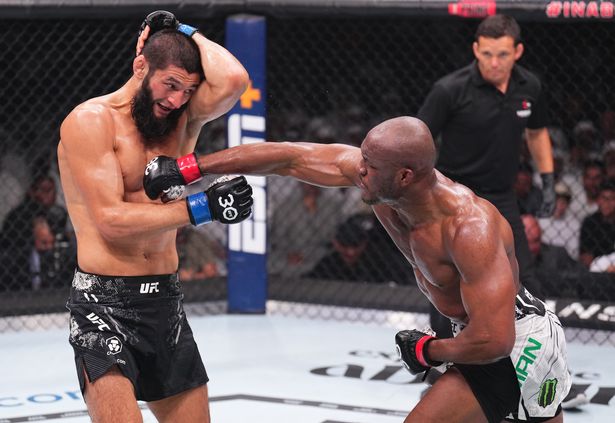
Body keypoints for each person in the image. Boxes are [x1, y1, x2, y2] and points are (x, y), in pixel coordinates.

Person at [144, 116, 571, 422]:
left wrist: (428, 350)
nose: (357, 170)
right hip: (485, 335)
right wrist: (191, 168)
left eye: (369, 166)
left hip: (515, 347)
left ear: (404, 176)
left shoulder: (468, 229)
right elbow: (288, 158)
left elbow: (495, 339)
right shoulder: (380, 182)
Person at [58, 11, 253, 423]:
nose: (177, 100)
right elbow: (110, 220)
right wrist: (202, 207)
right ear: (140, 65)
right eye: (170, 85)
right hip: (102, 303)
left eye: (189, 90)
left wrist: (181, 29)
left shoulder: (179, 122)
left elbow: (234, 79)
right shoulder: (91, 121)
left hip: (164, 298)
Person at [417, 15, 555, 305]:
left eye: (502, 54)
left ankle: (526, 347)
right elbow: (417, 139)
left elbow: (537, 133)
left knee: (524, 276)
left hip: (502, 197)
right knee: (448, 280)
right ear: (476, 49)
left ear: (517, 52)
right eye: (487, 54)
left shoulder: (530, 86)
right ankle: (440, 348)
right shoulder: (449, 90)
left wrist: (548, 181)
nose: (494, 63)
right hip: (453, 197)